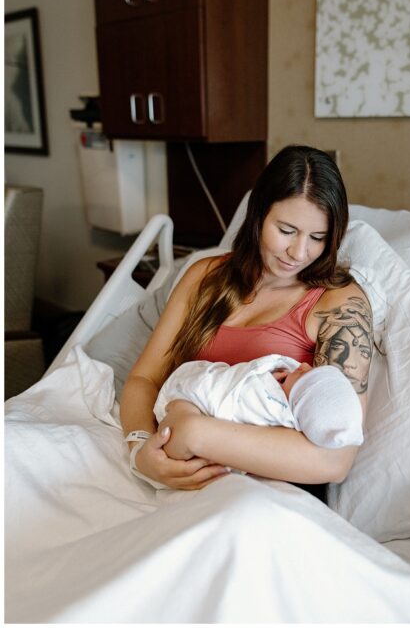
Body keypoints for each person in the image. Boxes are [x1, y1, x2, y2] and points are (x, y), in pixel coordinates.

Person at [120, 145, 373, 495]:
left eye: (317, 238)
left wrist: (195, 433)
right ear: (258, 215)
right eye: (286, 230)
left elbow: (336, 461)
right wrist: (140, 450)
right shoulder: (204, 278)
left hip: (270, 494)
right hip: (177, 475)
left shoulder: (339, 303)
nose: (299, 253)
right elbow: (145, 377)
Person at [153, 353, 364, 455]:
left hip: (197, 412)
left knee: (179, 434)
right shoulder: (276, 384)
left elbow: (246, 407)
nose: (303, 365)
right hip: (194, 395)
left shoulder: (276, 412)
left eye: (305, 375)